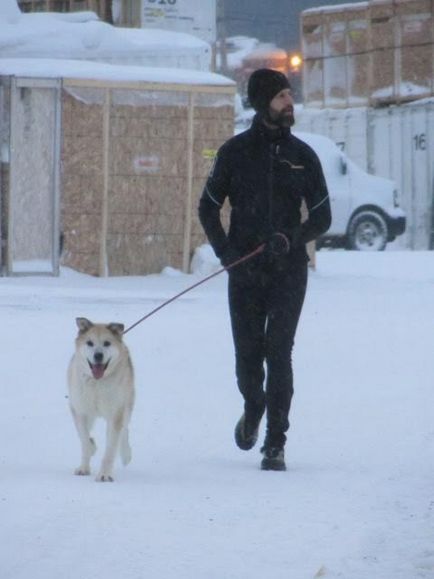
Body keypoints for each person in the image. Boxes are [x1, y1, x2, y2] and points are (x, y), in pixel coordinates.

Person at [198, 68, 331, 471]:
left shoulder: (303, 156)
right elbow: (208, 207)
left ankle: (275, 442)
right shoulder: (234, 153)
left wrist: (293, 237)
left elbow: (323, 216)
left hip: (288, 270)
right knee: (248, 355)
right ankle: (253, 406)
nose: (289, 103)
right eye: (280, 97)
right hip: (245, 271)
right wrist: (225, 253)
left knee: (279, 351)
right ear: (262, 104)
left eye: (289, 95)